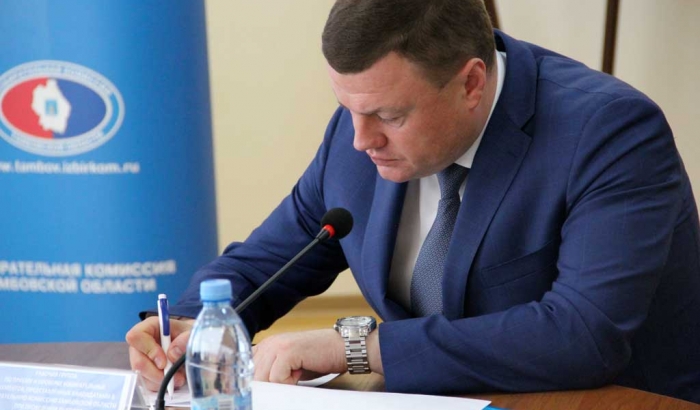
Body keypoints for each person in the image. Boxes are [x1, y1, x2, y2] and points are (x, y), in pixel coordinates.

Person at [126, 0, 700, 404]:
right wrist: (192, 324)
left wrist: (356, 348)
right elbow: (271, 258)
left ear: (472, 83)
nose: (360, 139)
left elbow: (582, 335)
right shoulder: (360, 129)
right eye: (348, 108)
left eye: (389, 116)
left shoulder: (609, 133)